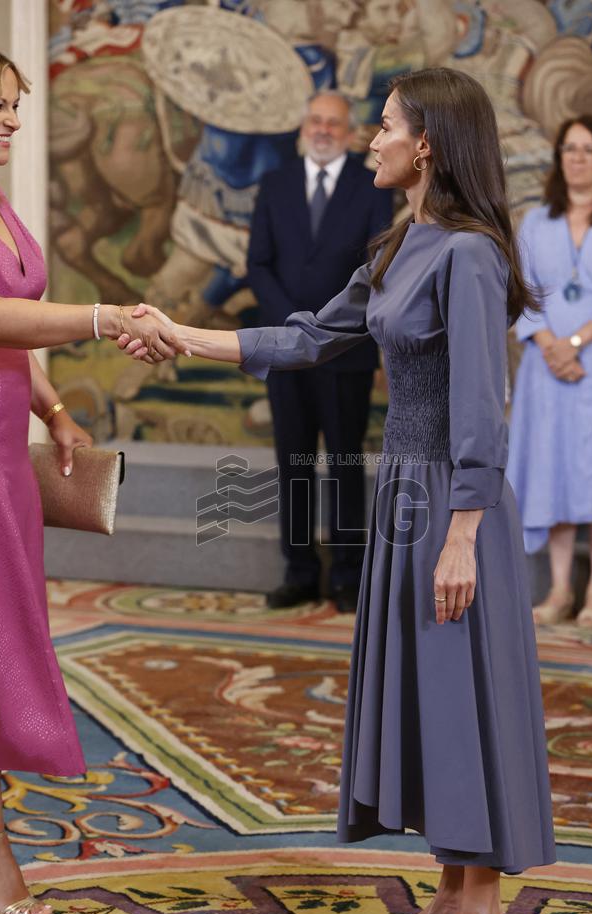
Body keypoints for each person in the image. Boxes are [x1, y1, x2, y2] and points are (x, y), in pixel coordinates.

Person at [122, 66, 556, 914]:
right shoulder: (403, 243)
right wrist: (180, 333)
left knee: (462, 696)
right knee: (433, 700)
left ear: (428, 142)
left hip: (449, 504)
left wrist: (462, 533)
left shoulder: (471, 254)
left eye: (386, 124)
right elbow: (308, 337)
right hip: (403, 495)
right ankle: (451, 893)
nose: (372, 137)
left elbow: (484, 405)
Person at [0, 44, 173, 914]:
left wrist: (53, 411)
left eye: (17, 106)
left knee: (5, 636)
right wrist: (101, 316)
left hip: (0, 457)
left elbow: (12, 340)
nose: (14, 122)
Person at [247, 90, 393, 613]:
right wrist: (294, 328)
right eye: (316, 120)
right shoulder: (276, 184)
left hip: (346, 350)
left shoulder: (371, 185)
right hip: (284, 350)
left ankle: (349, 575)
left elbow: (378, 265)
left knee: (347, 462)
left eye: (334, 122)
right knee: (294, 463)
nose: (324, 129)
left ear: (350, 132)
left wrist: (328, 329)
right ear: (302, 126)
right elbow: (258, 264)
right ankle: (301, 572)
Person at [506, 115, 592, 627]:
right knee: (553, 469)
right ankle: (562, 588)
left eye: (588, 150)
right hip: (548, 369)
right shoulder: (538, 222)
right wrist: (548, 344)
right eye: (569, 148)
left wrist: (575, 343)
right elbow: (521, 290)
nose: (577, 158)